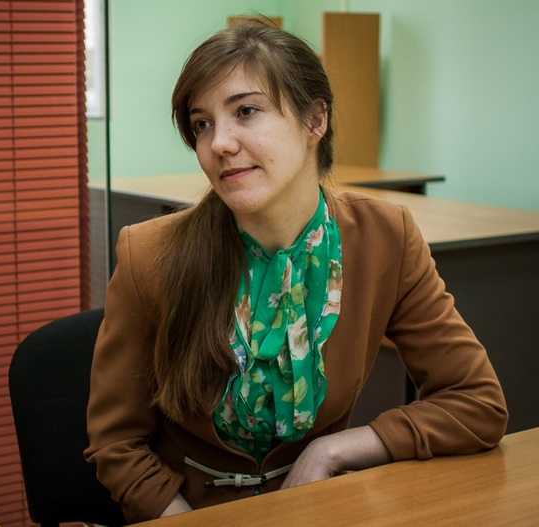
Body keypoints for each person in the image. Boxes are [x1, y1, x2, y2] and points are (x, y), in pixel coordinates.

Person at [85, 20, 508, 523]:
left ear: (315, 120)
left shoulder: (384, 238)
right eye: (202, 124)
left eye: (246, 111)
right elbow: (117, 444)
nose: (219, 143)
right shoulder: (149, 254)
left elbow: (477, 402)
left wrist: (333, 450)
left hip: (321, 510)